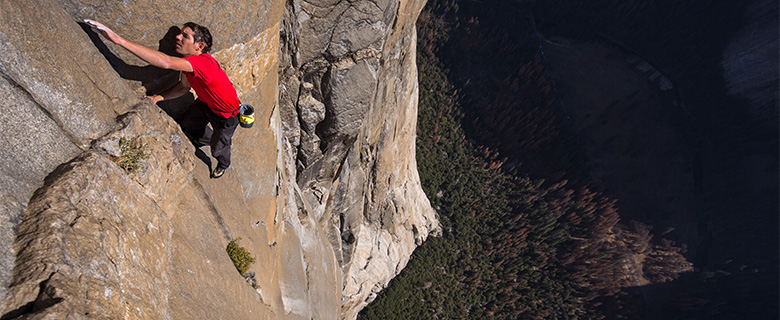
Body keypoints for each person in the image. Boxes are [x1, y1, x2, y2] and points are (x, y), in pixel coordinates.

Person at [86, 19, 239, 179]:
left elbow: (166, 62)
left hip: (226, 114)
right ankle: (208, 138)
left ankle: (223, 163)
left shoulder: (203, 63)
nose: (178, 37)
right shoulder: (188, 64)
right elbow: (183, 88)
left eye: (185, 36)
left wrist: (118, 40)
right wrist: (157, 97)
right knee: (188, 125)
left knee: (219, 147)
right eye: (180, 33)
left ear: (199, 47)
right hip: (205, 102)